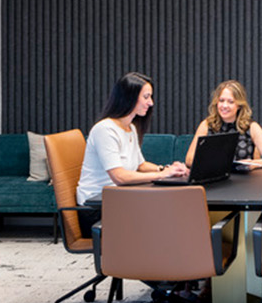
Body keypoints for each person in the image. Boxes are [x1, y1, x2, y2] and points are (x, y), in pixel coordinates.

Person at [76, 71, 187, 207]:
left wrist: (166, 169)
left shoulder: (131, 128)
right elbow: (120, 177)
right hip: (97, 204)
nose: (151, 103)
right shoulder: (105, 129)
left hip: (119, 197)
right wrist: (163, 174)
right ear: (129, 97)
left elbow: (140, 165)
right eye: (146, 97)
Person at [187, 79, 262, 169]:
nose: (224, 106)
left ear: (239, 105)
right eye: (221, 100)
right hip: (215, 179)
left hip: (244, 180)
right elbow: (189, 160)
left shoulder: (252, 127)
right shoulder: (206, 125)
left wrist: (252, 164)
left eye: (230, 102)